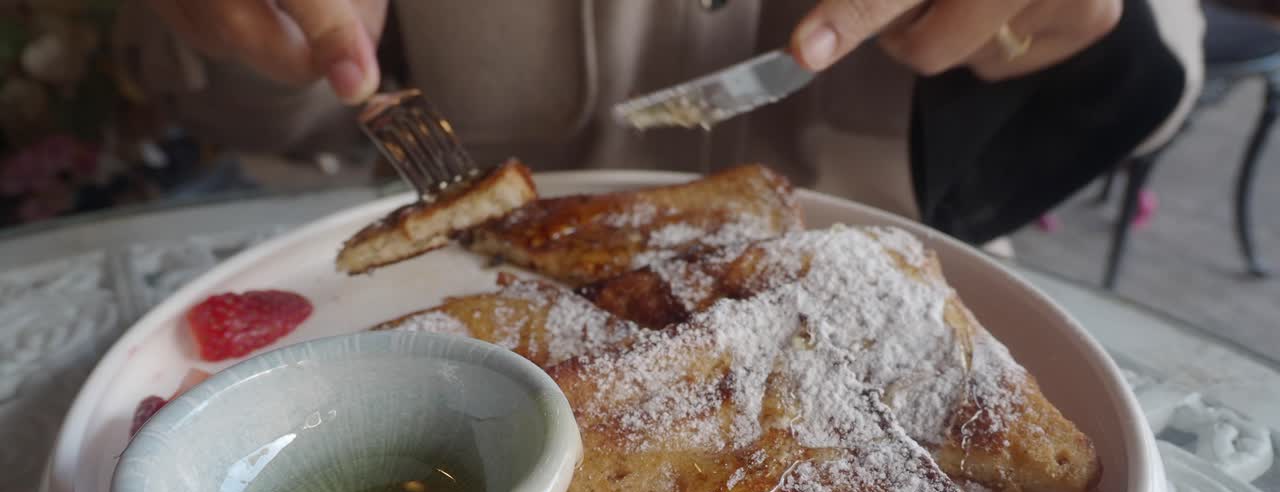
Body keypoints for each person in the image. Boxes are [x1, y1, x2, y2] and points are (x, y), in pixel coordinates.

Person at [114, 0, 1204, 244]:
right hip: (474, 300)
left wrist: (1080, 30)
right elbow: (281, 104)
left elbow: (1147, 80)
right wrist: (251, 37)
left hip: (897, 293)